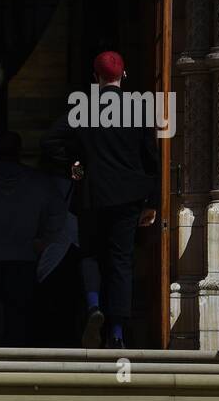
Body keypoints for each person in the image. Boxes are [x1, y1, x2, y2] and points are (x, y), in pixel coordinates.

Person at [48, 51, 160, 348]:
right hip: (129, 198)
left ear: (95, 77)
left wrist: (72, 163)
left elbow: (51, 142)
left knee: (90, 255)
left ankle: (94, 306)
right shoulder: (139, 109)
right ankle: (118, 333)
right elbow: (152, 160)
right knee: (121, 261)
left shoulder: (83, 108)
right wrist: (152, 202)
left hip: (92, 195)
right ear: (123, 75)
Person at [0, 131, 67, 347]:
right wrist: (45, 240)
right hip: (24, 256)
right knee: (19, 320)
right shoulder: (39, 181)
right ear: (20, 151)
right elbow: (58, 213)